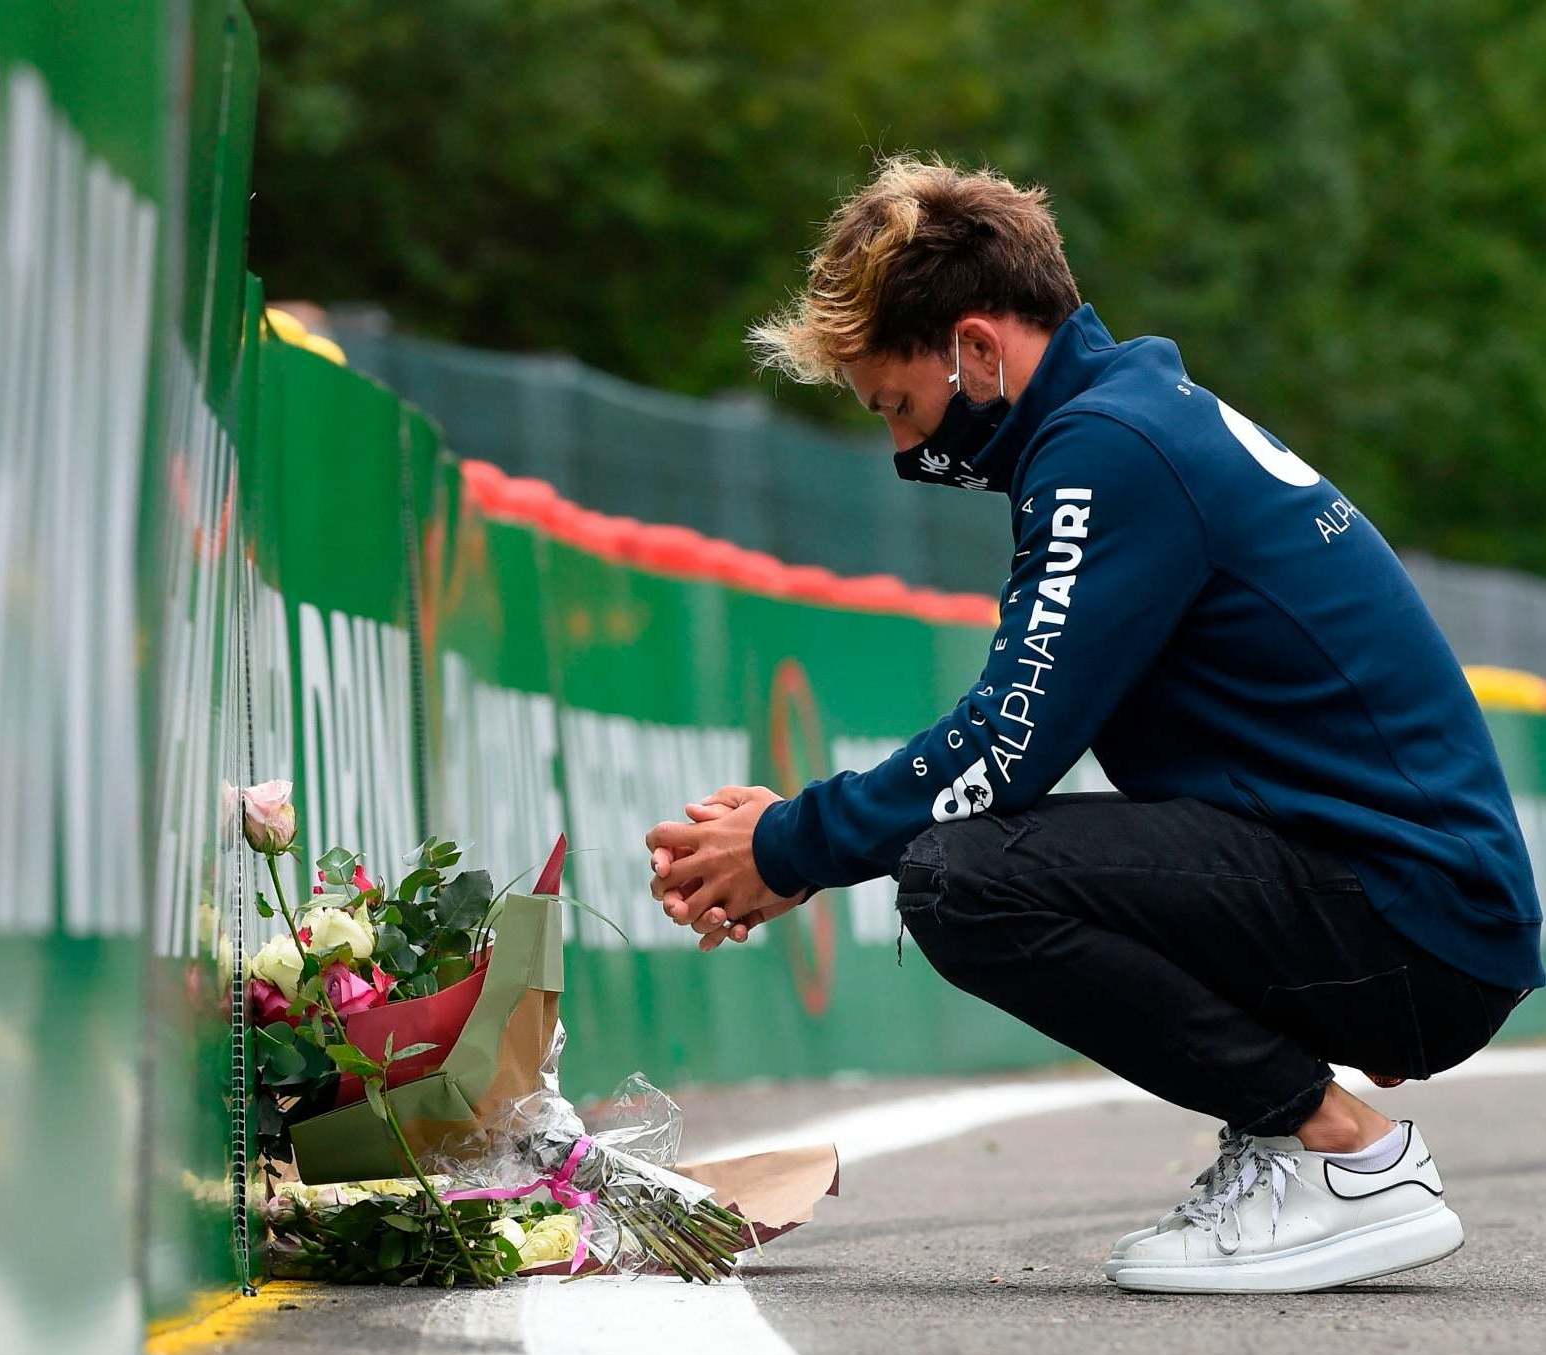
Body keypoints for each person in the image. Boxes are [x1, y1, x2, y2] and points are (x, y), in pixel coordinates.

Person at [645, 156, 1543, 1294]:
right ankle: (1294, 1139)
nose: (905, 451)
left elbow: (1007, 744)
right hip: (1410, 898)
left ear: (977, 350)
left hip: (1411, 913)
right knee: (989, 861)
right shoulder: (1130, 418)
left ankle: (1339, 1154)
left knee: (963, 881)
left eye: (899, 406)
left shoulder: (1106, 449)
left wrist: (789, 845)